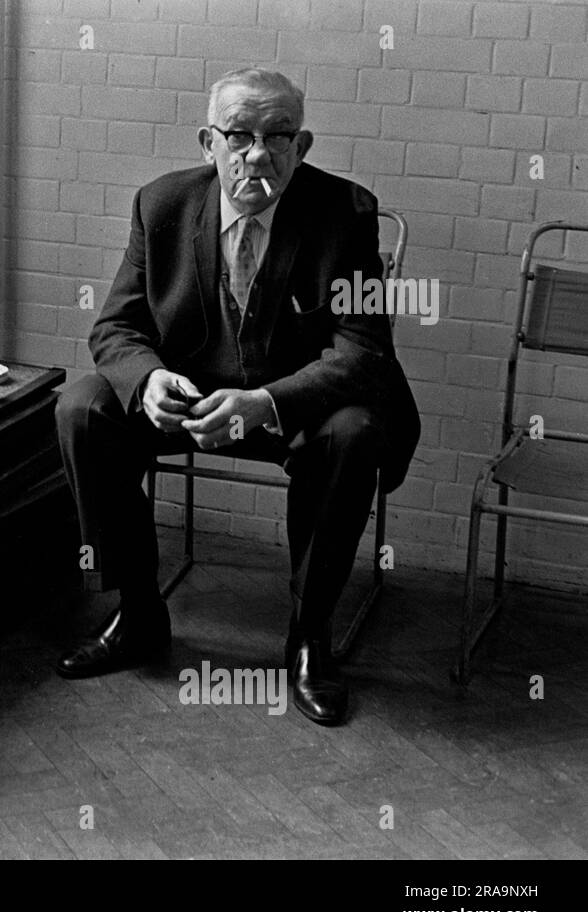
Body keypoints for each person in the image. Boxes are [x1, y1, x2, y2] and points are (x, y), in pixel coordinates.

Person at [54, 68, 420, 726]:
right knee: (84, 407)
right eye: (240, 135)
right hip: (194, 398)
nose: (258, 154)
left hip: (296, 407)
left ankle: (309, 638)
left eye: (279, 136)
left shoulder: (345, 215)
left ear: (302, 145)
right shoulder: (161, 205)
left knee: (355, 430)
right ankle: (138, 611)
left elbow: (363, 352)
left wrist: (268, 402)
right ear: (207, 141)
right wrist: (148, 381)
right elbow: (116, 326)